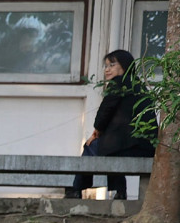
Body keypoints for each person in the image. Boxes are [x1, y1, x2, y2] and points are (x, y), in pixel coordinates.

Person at [67, 49, 157, 200]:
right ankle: (120, 192)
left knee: (91, 147)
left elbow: (105, 111)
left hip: (130, 146)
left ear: (125, 66)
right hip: (147, 147)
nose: (107, 69)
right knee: (111, 149)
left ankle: (76, 189)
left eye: (112, 65)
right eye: (106, 66)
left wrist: (97, 130)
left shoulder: (118, 83)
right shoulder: (140, 86)